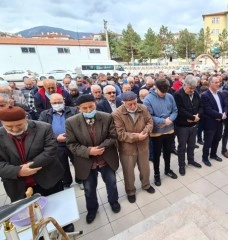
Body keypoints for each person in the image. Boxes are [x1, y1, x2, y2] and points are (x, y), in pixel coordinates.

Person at [65, 95, 121, 224]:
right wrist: (89, 151)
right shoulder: (71, 122)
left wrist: (100, 148)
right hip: (86, 162)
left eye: (91, 106)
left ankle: (113, 201)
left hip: (106, 157)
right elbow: (71, 144)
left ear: (95, 104)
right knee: (89, 188)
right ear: (79, 109)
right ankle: (92, 208)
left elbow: (113, 136)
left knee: (111, 183)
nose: (89, 110)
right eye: (85, 108)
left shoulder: (106, 117)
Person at [112, 91, 155, 203]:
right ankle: (130, 191)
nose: (133, 106)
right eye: (129, 104)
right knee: (129, 172)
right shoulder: (116, 113)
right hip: (127, 149)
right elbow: (119, 133)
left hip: (143, 146)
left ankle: (146, 185)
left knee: (145, 169)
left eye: (135, 103)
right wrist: (137, 137)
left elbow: (149, 122)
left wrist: (145, 132)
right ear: (123, 103)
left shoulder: (143, 108)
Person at [38, 93, 80, 189]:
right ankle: (66, 182)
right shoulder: (45, 114)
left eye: (60, 102)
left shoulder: (73, 110)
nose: (57, 104)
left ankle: (80, 179)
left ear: (64, 101)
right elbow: (41, 131)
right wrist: (56, 138)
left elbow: (80, 124)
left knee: (77, 162)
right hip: (57, 144)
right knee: (62, 165)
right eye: (55, 102)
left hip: (73, 142)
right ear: (50, 103)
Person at [143, 78, 178, 186]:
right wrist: (163, 121)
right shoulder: (148, 99)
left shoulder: (170, 96)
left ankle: (167, 170)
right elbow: (148, 116)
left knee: (168, 152)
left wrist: (169, 120)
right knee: (156, 155)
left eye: (165, 91)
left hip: (169, 130)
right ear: (155, 88)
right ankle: (157, 174)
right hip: (156, 132)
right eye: (161, 91)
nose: (163, 94)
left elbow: (175, 110)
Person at [174, 75, 202, 176]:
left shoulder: (196, 93)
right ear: (184, 85)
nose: (192, 90)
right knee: (182, 147)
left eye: (194, 88)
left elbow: (200, 106)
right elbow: (180, 110)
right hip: (182, 126)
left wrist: (198, 115)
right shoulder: (177, 94)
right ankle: (181, 165)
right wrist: (192, 117)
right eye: (190, 88)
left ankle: (191, 160)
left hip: (194, 125)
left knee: (191, 145)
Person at [201, 76, 227, 167]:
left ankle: (213, 154)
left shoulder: (220, 94)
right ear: (210, 83)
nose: (218, 84)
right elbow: (208, 110)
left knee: (217, 139)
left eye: (218, 82)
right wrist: (221, 115)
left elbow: (225, 105)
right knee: (208, 141)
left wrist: (225, 113)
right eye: (215, 82)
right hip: (210, 122)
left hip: (220, 122)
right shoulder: (205, 95)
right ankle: (205, 157)